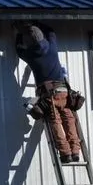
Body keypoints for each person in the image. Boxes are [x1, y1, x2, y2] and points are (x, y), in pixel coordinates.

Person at [14, 21, 81, 163]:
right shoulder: (52, 46)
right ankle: (75, 151)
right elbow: (51, 31)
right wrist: (36, 22)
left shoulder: (31, 55)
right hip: (64, 92)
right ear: (42, 37)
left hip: (49, 95)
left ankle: (66, 154)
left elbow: (18, 50)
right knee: (69, 120)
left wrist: (19, 33)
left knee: (55, 122)